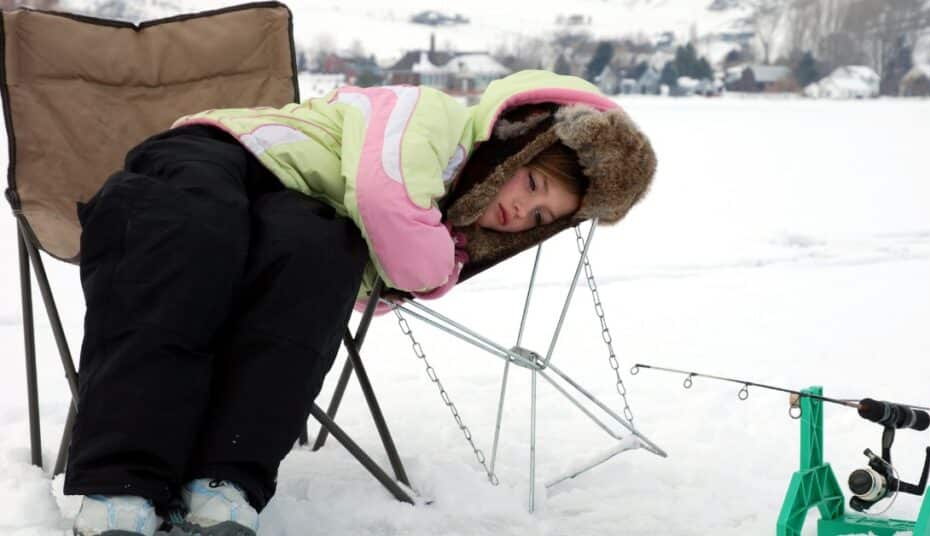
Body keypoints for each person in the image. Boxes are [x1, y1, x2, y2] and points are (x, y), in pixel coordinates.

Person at [66, 69, 655, 536]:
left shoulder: (444, 219)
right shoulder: (431, 115)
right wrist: (440, 266)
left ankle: (226, 479)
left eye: (539, 218)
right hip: (224, 154)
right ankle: (123, 480)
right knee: (193, 235)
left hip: (297, 211)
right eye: (531, 185)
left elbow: (372, 287)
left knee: (320, 257)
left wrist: (425, 255)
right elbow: (382, 197)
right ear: (518, 142)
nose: (520, 213)